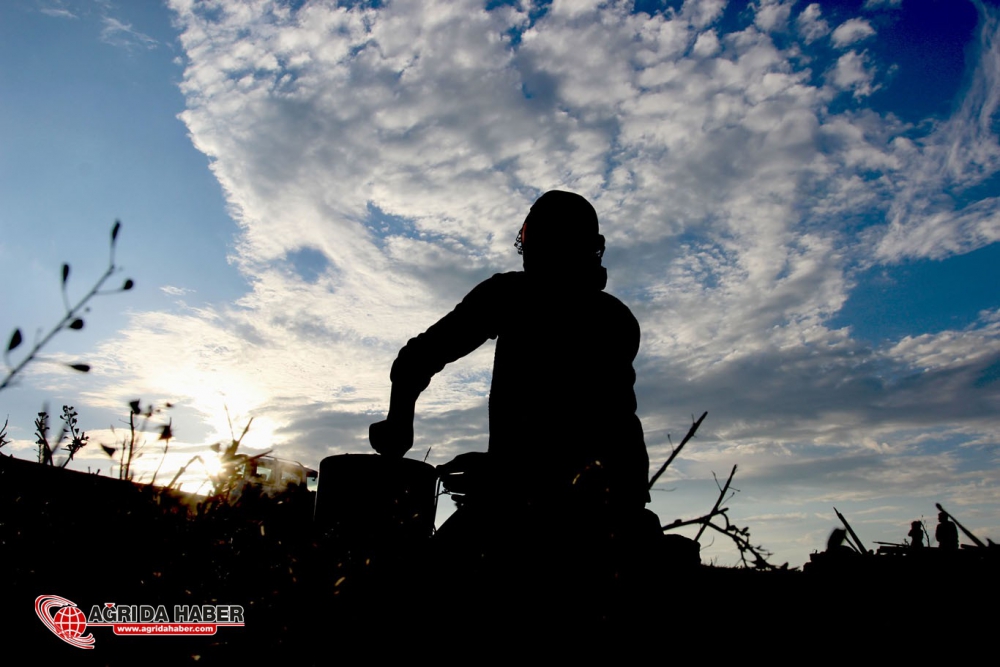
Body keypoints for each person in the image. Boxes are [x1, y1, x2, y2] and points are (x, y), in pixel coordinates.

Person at [369, 190, 651, 525]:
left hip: (585, 508)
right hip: (616, 498)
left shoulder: (514, 297)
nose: (529, 249)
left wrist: (400, 424)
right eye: (529, 236)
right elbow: (569, 428)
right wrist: (501, 468)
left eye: (540, 237)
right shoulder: (617, 319)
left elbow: (581, 438)